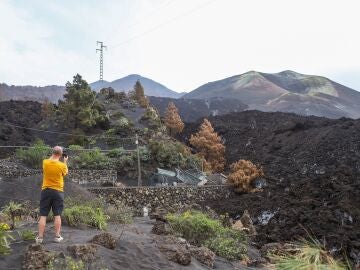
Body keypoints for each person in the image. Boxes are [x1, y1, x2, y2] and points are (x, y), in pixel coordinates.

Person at [36, 146, 68, 244]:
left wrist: (55, 154)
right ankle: (57, 236)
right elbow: (65, 173)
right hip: (58, 192)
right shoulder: (62, 165)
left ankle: (40, 238)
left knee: (43, 215)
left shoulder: (45, 162)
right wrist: (65, 161)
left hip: (46, 191)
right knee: (57, 215)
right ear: (61, 154)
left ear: (52, 153)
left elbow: (51, 158)